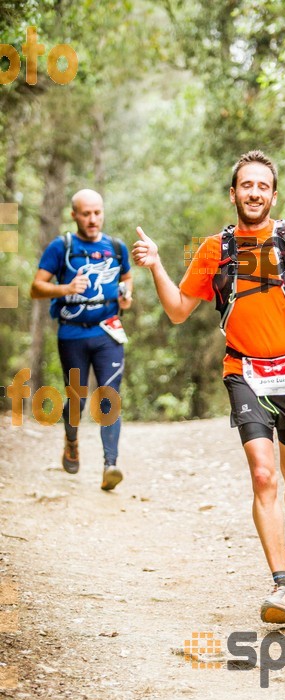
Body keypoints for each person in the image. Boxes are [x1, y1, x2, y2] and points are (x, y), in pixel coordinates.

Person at [132, 150, 285, 622]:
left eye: (263, 186)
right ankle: (280, 587)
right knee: (262, 475)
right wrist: (154, 265)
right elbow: (176, 310)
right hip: (244, 372)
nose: (254, 193)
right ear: (233, 193)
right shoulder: (215, 249)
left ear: (274, 194)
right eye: (246, 185)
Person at [30, 189, 132, 491]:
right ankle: (71, 440)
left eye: (97, 213)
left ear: (102, 212)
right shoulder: (61, 247)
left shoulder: (115, 246)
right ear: (74, 215)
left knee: (110, 395)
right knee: (78, 400)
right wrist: (67, 288)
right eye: (86, 214)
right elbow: (36, 287)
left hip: (107, 333)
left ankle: (110, 465)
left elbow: (126, 278)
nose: (92, 219)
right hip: (72, 334)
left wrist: (127, 296)